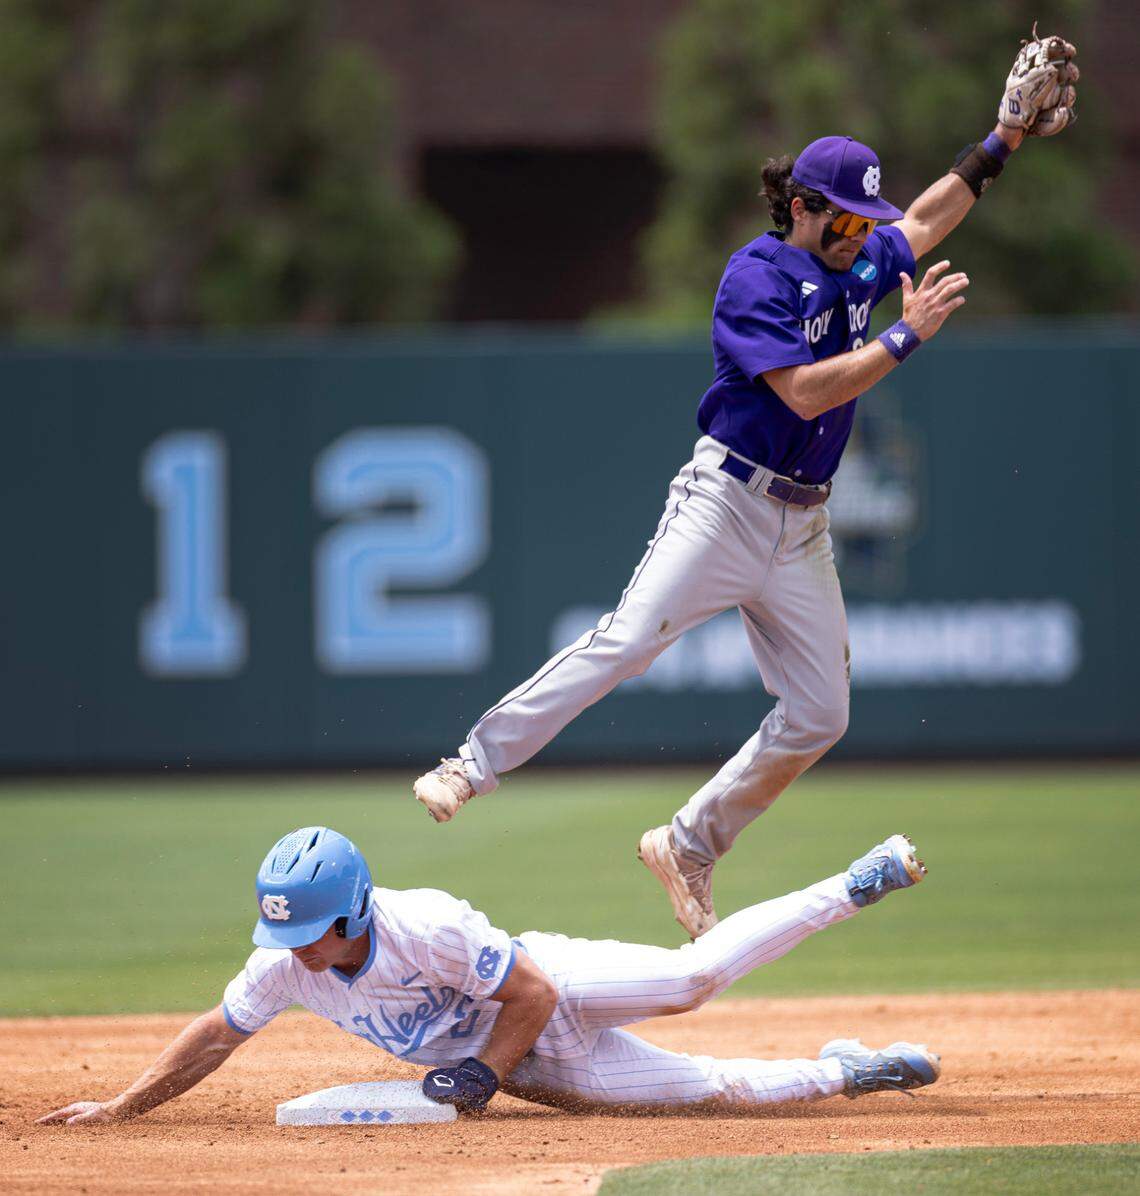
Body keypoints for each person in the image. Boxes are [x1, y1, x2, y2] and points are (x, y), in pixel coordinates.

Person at [412, 31, 1079, 937]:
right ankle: (470, 763)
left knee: (821, 712)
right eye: (847, 218)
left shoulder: (863, 252)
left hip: (804, 527)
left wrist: (1001, 141)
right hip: (725, 503)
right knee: (627, 641)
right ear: (803, 207)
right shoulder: (756, 276)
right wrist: (903, 337)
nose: (865, 234)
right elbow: (804, 392)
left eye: (863, 220)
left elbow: (921, 220)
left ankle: (689, 843)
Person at [40, 826, 939, 1125]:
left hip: (541, 985)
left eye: (310, 930)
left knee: (688, 980)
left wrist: (480, 1076)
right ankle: (851, 1070)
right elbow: (216, 1033)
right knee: (716, 1094)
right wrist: (123, 1107)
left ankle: (853, 886)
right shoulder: (284, 967)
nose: (295, 949)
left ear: (353, 911)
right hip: (529, 1064)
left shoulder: (422, 923)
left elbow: (534, 995)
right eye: (286, 933)